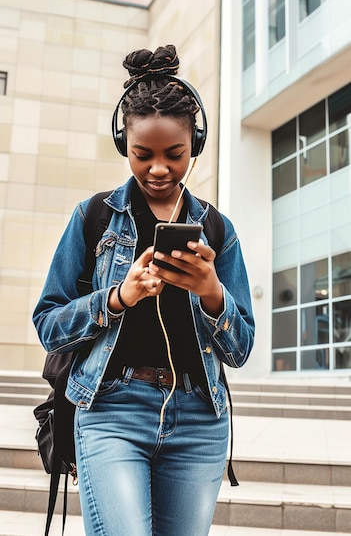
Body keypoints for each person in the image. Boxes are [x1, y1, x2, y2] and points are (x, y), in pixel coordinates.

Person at [33, 44, 255, 536]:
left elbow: (240, 351)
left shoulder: (218, 230)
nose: (158, 169)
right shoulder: (94, 218)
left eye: (174, 155)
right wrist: (117, 298)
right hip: (112, 410)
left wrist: (214, 293)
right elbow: (47, 324)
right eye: (143, 155)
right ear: (123, 145)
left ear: (193, 145)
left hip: (199, 419)